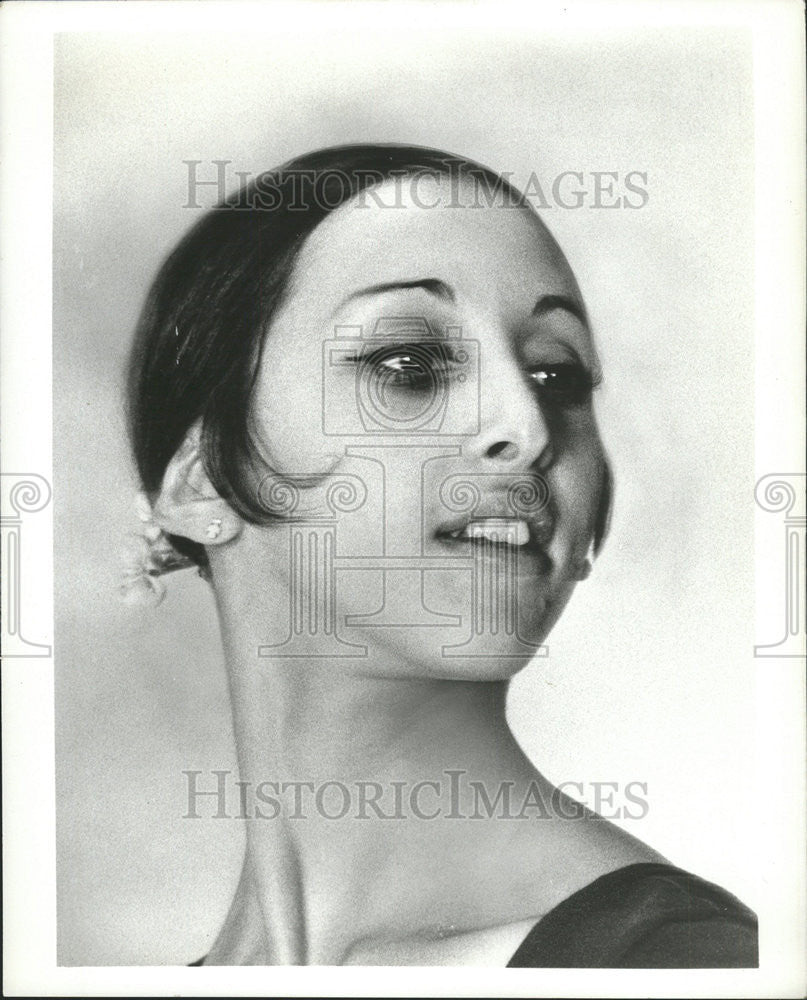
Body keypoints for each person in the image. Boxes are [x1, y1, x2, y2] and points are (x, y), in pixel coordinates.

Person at [124, 143, 758, 967]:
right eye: (410, 364)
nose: (526, 432)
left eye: (555, 375)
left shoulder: (680, 964)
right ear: (203, 484)